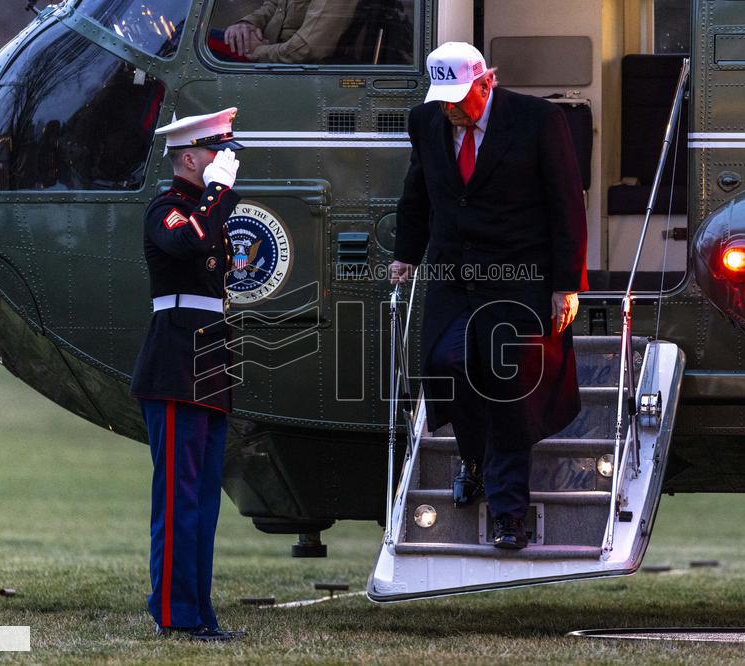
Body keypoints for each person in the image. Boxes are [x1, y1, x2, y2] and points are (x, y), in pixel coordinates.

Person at [389, 42, 588, 550]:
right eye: (443, 99)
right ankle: (473, 458)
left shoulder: (539, 121)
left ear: (487, 82)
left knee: (507, 388)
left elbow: (567, 204)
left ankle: (507, 513)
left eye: (459, 98)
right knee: (446, 365)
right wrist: (406, 254)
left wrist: (567, 285)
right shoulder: (427, 121)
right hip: (453, 276)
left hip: (519, 277)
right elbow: (418, 190)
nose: (451, 110)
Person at [129, 108, 245, 641]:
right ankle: (175, 613)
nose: (227, 160)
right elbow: (187, 242)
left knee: (201, 499)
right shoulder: (168, 208)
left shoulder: (204, 207)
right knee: (178, 497)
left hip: (208, 362)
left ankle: (199, 611)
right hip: (175, 361)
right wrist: (218, 195)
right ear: (191, 157)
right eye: (218, 152)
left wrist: (216, 198)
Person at [216, 0, 359, 63]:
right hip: (271, 55)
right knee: (212, 41)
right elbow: (273, 5)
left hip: (299, 69)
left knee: (208, 47)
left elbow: (307, 49)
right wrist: (247, 24)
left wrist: (258, 51)